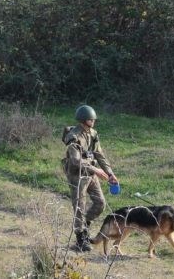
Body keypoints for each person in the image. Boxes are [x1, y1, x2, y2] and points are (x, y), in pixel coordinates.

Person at [62, 105, 119, 252]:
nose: (93, 121)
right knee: (79, 207)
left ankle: (84, 226)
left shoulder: (93, 133)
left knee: (100, 203)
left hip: (91, 174)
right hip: (77, 175)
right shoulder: (73, 136)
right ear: (83, 120)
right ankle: (80, 239)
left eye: (93, 119)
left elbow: (99, 155)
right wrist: (96, 170)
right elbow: (75, 161)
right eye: (90, 119)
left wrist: (110, 173)